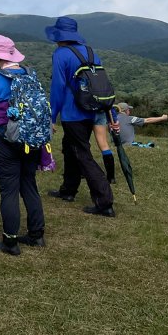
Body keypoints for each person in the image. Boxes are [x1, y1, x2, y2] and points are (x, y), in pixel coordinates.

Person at [0, 34, 45, 255]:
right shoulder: (30, 74)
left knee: (9, 190)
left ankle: (10, 241)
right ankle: (36, 235)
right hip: (32, 138)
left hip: (5, 140)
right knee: (29, 185)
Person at [44, 17, 115, 217]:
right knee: (70, 148)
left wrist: (52, 115)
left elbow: (57, 87)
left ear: (59, 36)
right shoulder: (92, 52)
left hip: (72, 112)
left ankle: (104, 201)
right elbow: (102, 84)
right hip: (94, 109)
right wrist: (110, 111)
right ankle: (68, 190)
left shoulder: (60, 54)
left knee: (81, 153)